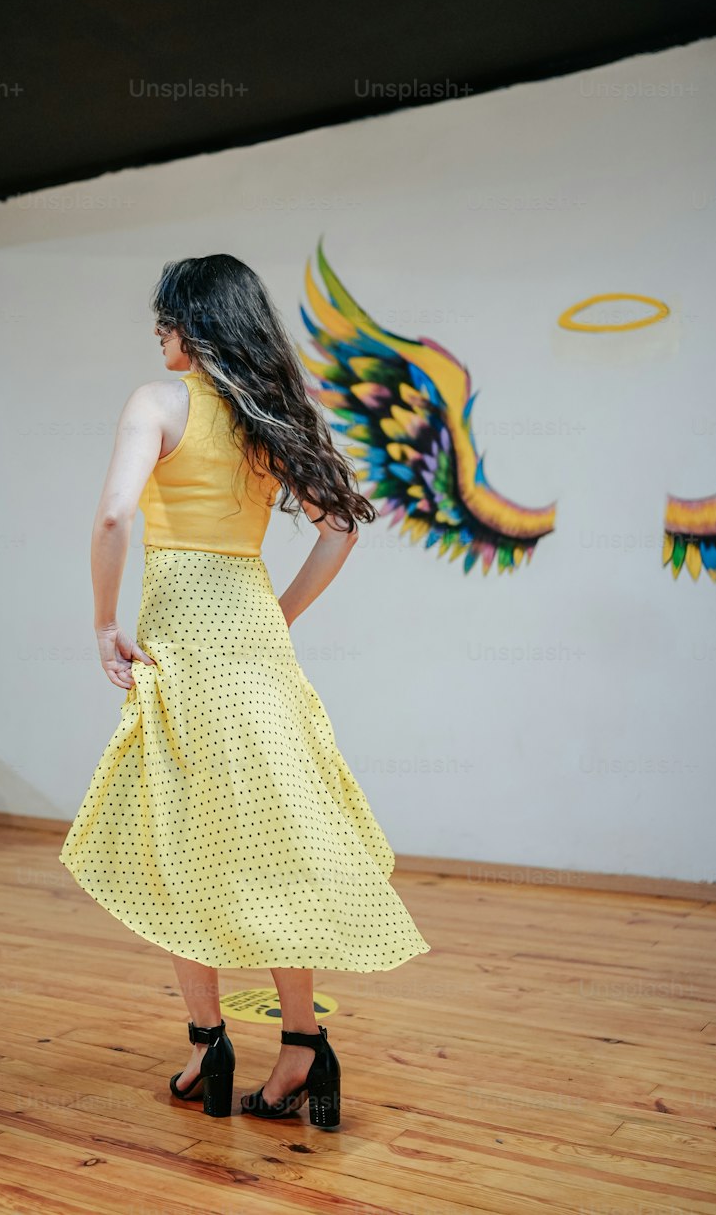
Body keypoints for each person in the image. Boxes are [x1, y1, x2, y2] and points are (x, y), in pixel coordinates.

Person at [59, 253, 430, 1127]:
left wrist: (104, 621)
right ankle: (302, 1049)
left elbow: (114, 516)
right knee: (275, 842)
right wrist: (279, 614)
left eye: (166, 321)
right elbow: (342, 525)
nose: (159, 335)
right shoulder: (272, 416)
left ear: (194, 325)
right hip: (255, 644)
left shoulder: (157, 401)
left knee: (178, 845)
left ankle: (208, 1046)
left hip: (182, 645)